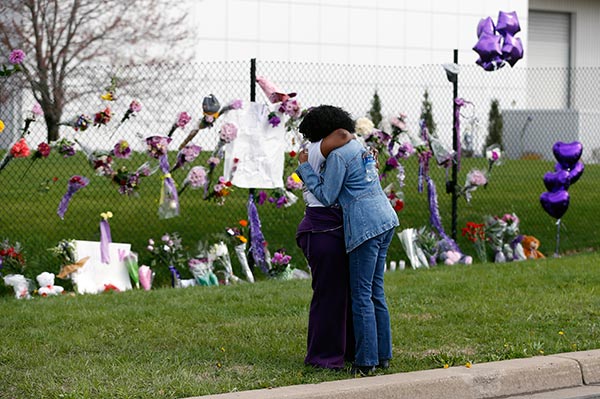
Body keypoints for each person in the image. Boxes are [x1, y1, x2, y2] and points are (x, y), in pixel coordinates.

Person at [295, 105, 399, 376]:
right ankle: (383, 354)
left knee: (361, 294)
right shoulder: (360, 147)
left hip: (365, 225)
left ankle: (366, 361)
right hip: (386, 219)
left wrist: (305, 169)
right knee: (376, 290)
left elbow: (327, 196)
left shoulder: (339, 154)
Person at [296, 128, 355, 370]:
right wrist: (356, 137)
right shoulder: (317, 147)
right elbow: (342, 134)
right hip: (321, 227)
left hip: (334, 226)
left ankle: (346, 349)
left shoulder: (330, 151)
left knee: (344, 294)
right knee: (329, 296)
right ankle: (323, 357)